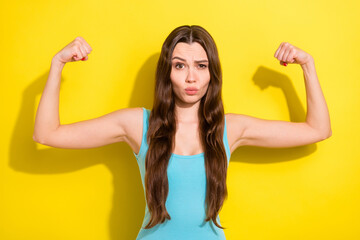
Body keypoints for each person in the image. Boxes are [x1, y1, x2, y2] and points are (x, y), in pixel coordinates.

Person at [33, 25, 332, 239]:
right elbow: (48, 134)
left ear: (212, 74)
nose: (191, 77)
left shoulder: (231, 128)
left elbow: (317, 129)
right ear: (167, 73)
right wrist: (57, 64)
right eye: (180, 65)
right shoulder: (138, 125)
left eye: (201, 66)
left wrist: (308, 65)